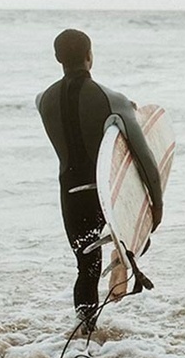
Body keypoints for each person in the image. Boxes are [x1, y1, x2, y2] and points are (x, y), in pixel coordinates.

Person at [36, 29, 162, 334]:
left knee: (86, 267)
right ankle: (124, 268)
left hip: (70, 192)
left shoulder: (43, 100)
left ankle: (85, 331)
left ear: (57, 58)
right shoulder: (111, 99)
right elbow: (143, 157)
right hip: (105, 192)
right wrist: (156, 207)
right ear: (90, 56)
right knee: (131, 245)